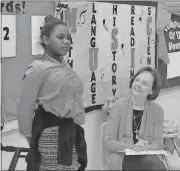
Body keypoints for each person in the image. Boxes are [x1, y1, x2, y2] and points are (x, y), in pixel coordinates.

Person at [17, 15, 87, 171]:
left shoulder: (64, 65)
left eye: (68, 37)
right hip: (50, 135)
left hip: (72, 132)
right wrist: (34, 142)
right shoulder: (37, 68)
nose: (67, 41)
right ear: (46, 40)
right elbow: (25, 108)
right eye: (60, 37)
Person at [105, 66, 167, 170]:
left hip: (148, 156)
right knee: (152, 165)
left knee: (152, 164)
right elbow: (109, 142)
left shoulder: (157, 110)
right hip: (122, 156)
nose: (138, 85)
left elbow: (158, 143)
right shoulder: (118, 106)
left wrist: (144, 148)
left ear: (152, 91)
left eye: (144, 83)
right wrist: (133, 147)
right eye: (137, 80)